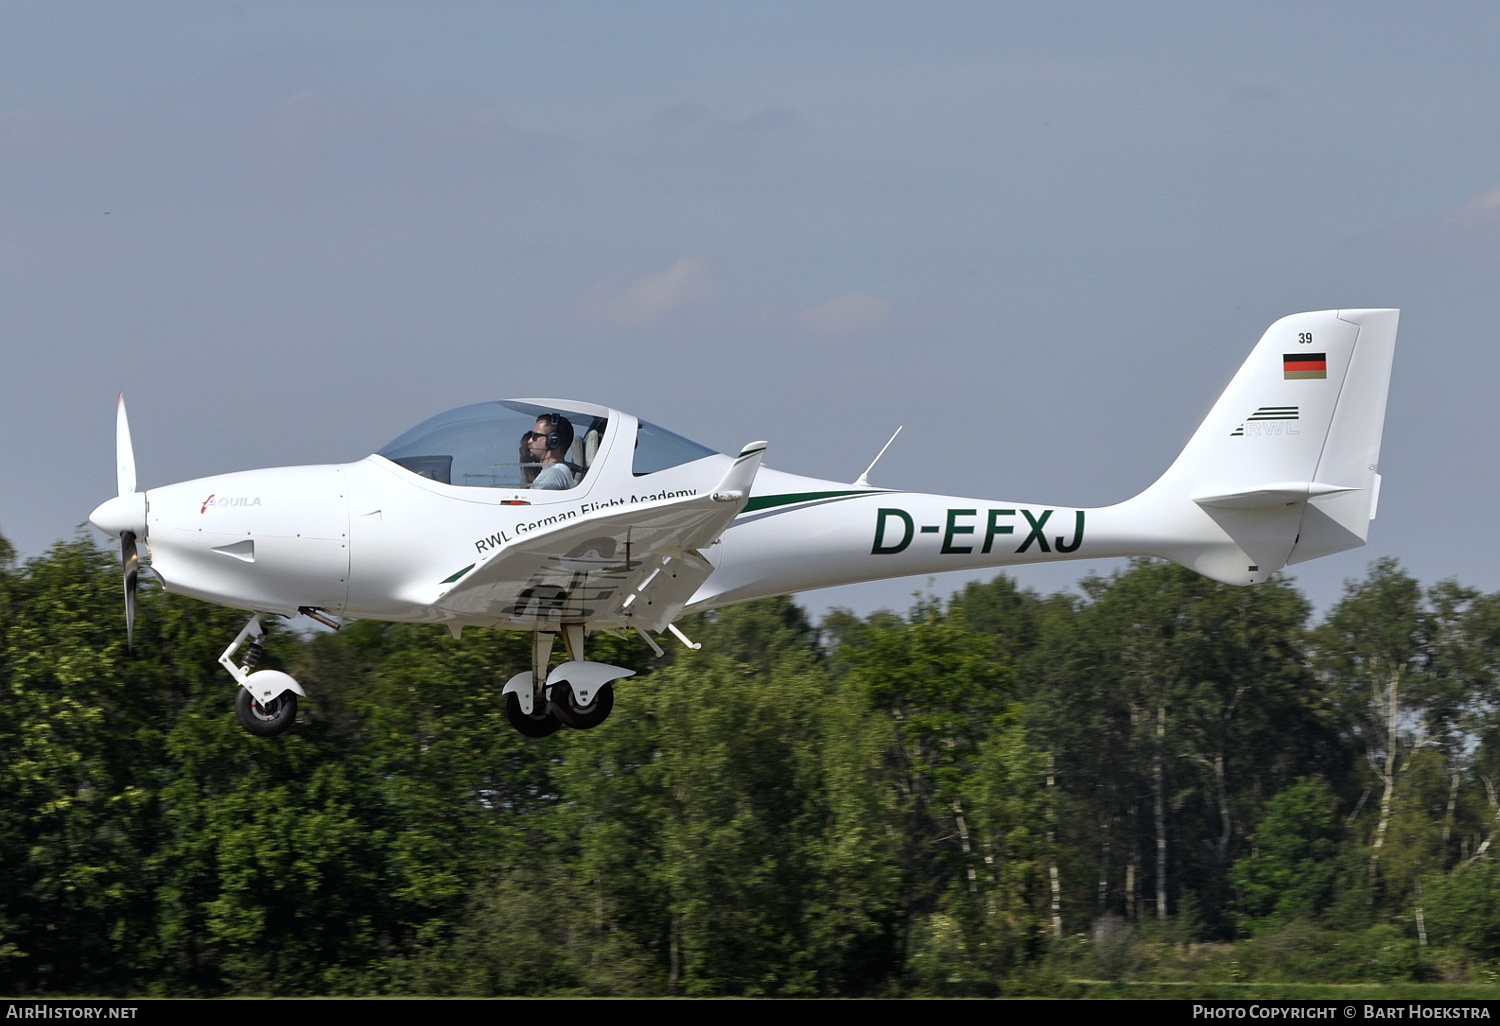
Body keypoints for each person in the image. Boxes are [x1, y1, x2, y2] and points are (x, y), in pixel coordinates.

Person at [525, 414, 580, 490]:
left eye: (535, 436)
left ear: (553, 440)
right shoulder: (552, 472)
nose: (529, 441)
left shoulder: (552, 476)